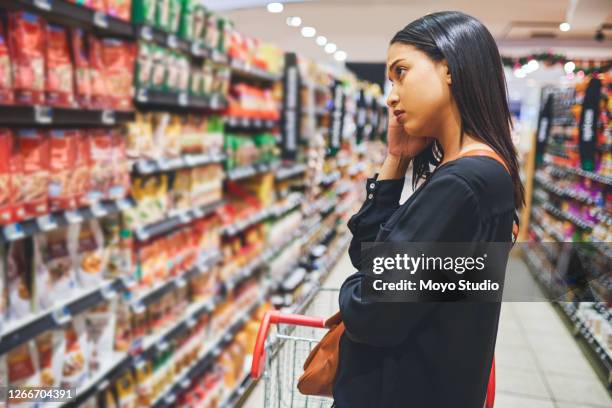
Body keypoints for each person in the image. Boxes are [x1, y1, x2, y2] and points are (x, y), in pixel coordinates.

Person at [335, 11, 524, 408]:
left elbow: (373, 313)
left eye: (400, 72)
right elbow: (367, 254)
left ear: (450, 67)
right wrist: (397, 159)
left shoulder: (462, 184)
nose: (391, 96)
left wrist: (353, 288)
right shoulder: (479, 173)